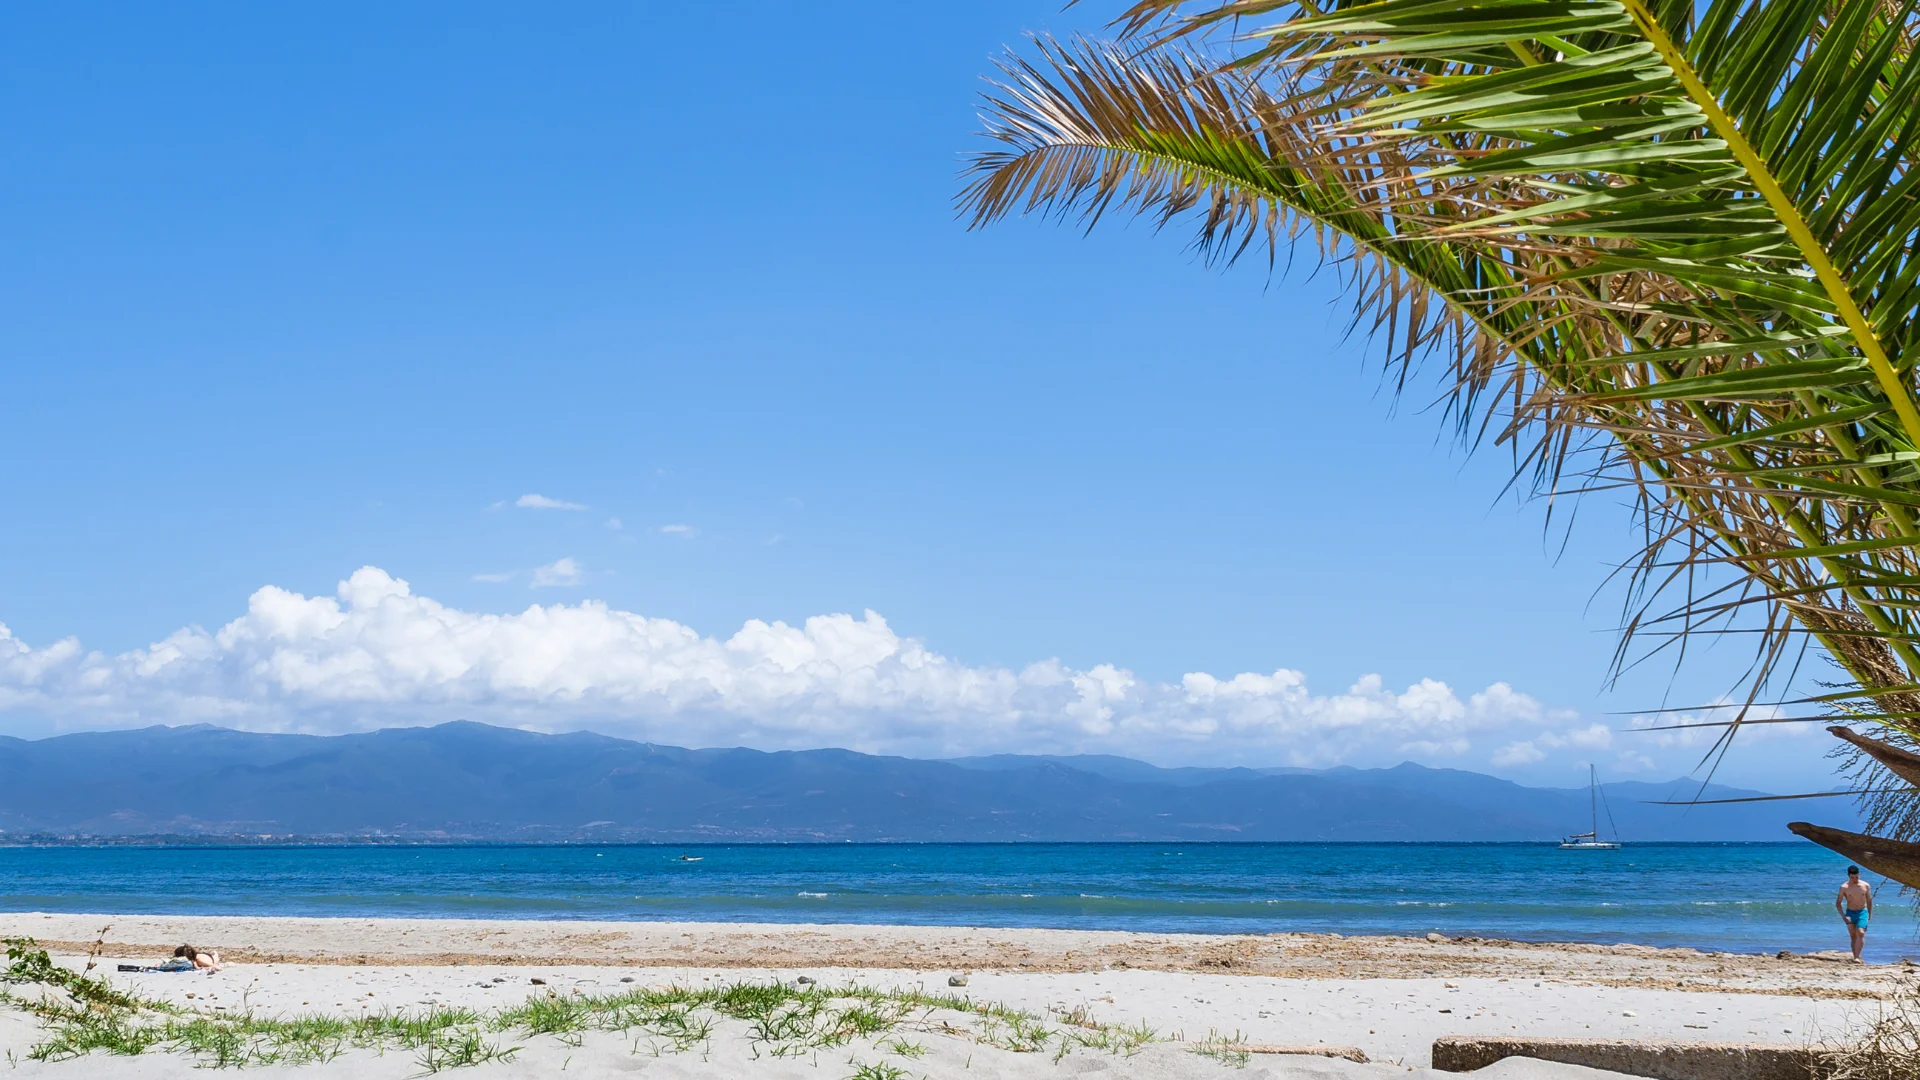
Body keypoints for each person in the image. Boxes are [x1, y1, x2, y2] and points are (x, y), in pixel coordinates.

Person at [1836, 865, 1873, 962]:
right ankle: (1855, 956)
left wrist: (1870, 914)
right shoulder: (1844, 887)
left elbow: (1869, 901)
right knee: (1853, 936)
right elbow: (1838, 903)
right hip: (1850, 912)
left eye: (1856, 877)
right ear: (1848, 876)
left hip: (1862, 911)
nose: (1855, 879)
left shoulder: (1865, 885)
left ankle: (1857, 957)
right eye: (1852, 877)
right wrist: (1843, 916)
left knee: (1860, 933)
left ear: (1859, 875)